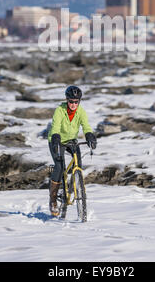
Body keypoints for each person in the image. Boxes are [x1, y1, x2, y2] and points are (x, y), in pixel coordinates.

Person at [48, 85, 97, 217]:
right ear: (67, 100)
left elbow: (86, 126)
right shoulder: (59, 110)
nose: (73, 104)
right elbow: (55, 127)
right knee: (59, 167)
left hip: (71, 141)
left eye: (76, 102)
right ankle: (53, 201)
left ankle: (75, 188)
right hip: (56, 140)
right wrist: (56, 137)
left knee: (78, 165)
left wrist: (89, 135)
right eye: (71, 101)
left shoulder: (81, 112)